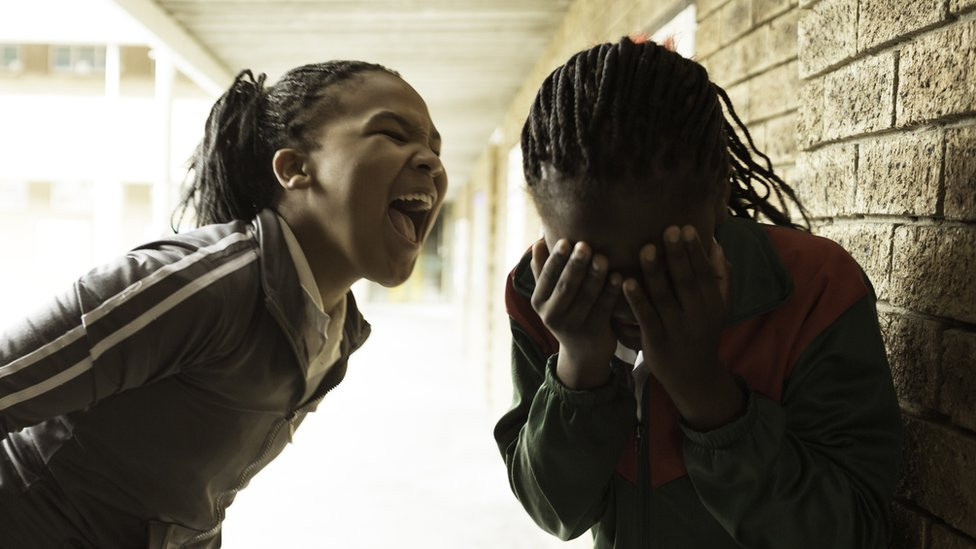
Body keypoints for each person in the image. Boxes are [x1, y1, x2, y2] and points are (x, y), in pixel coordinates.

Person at [0, 60, 446, 548]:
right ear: (295, 169)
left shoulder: (338, 333)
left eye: (434, 147)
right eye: (392, 134)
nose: (430, 161)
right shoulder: (204, 284)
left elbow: (195, 500)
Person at [494, 36, 902, 549]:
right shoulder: (538, 295)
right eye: (589, 268)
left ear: (718, 194)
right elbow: (556, 512)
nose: (626, 298)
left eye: (657, 264)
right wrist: (578, 367)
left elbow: (855, 532)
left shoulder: (815, 288)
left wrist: (704, 389)